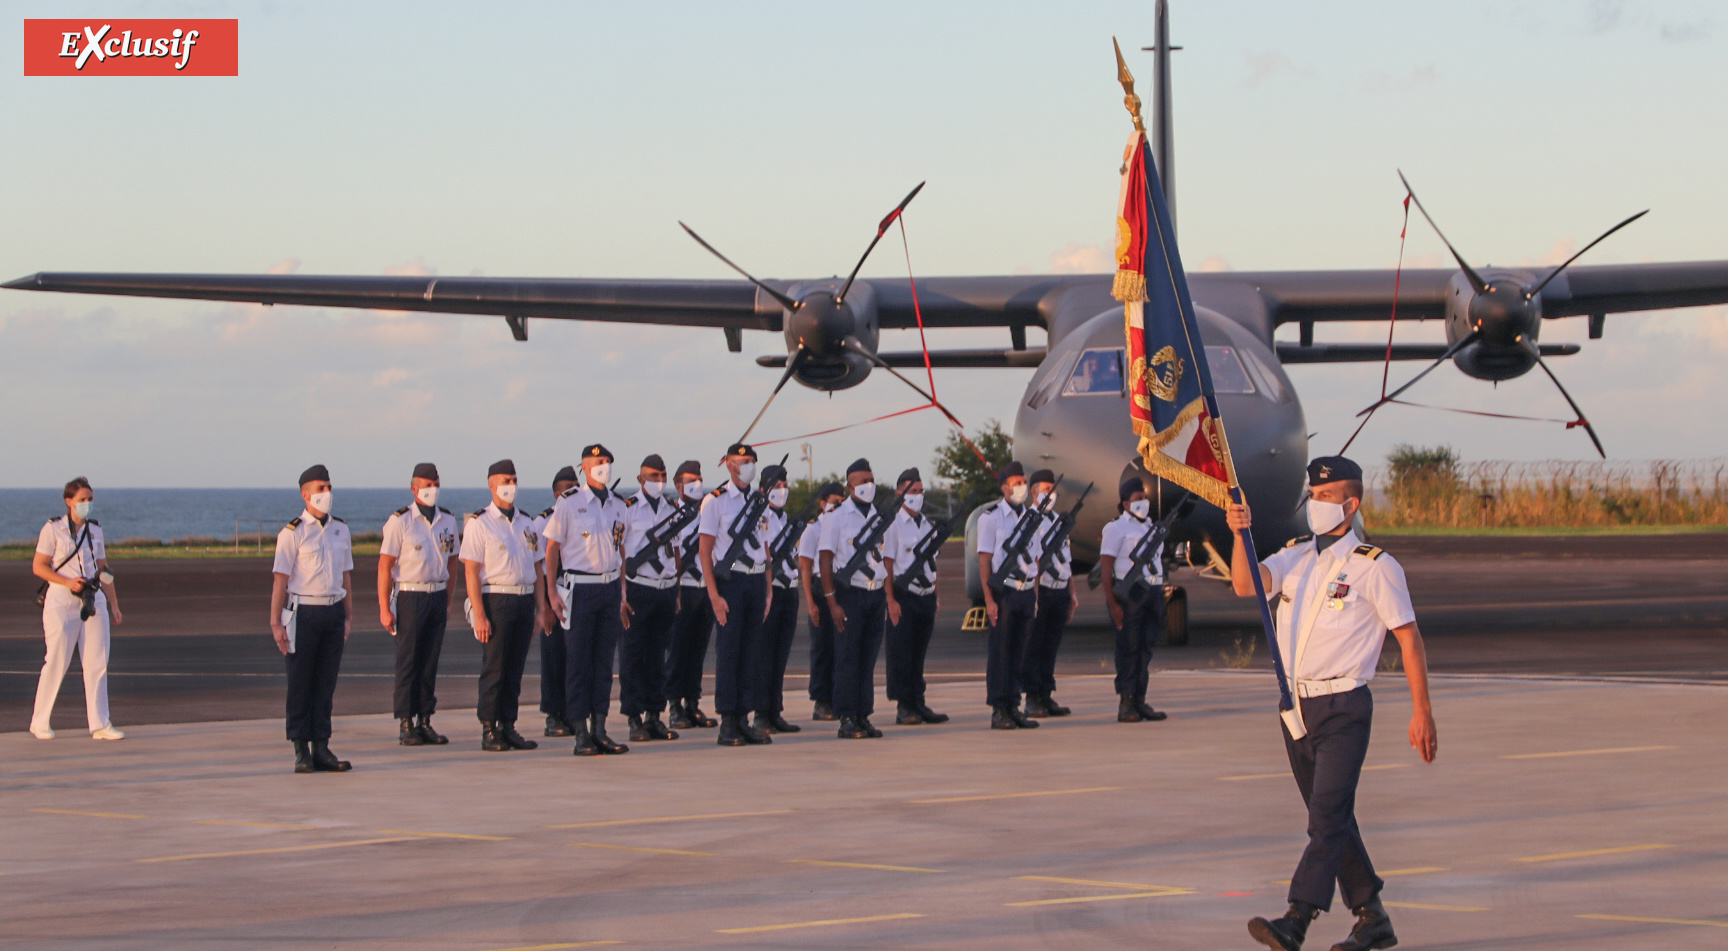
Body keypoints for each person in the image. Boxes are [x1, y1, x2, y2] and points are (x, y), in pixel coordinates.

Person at [1229, 455, 1437, 951]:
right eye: (1313, 494)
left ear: (1351, 503)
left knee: (1325, 819)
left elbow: (1409, 638)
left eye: (1325, 496)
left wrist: (1422, 710)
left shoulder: (1375, 567)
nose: (1315, 503)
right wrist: (1239, 533)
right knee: (1333, 818)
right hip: (1295, 708)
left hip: (1344, 707)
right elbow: (1245, 584)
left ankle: (1296, 919)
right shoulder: (1296, 555)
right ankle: (1372, 916)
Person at [545, 444, 630, 757]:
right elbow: (552, 550)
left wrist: (622, 594)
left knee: (604, 663)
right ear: (584, 466)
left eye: (607, 460)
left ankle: (600, 730)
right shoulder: (570, 502)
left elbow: (621, 552)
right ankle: (580, 733)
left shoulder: (620, 506)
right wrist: (552, 592)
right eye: (597, 461)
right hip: (580, 589)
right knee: (579, 662)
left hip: (609, 589)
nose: (603, 465)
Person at [269, 465, 353, 773]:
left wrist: (347, 615)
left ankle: (322, 746)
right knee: (300, 682)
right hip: (303, 612)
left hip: (332, 610)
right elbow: (280, 580)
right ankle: (300, 749)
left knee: (325, 683)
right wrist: (276, 623)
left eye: (328, 487)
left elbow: (346, 576)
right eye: (319, 488)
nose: (326, 493)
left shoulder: (340, 530)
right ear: (305, 495)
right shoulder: (292, 533)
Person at [459, 459, 547, 753]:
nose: (511, 485)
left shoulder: (526, 522)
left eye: (514, 479)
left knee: (515, 668)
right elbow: (471, 571)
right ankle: (489, 728)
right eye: (505, 480)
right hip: (495, 599)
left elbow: (537, 567)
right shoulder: (479, 523)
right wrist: (479, 614)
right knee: (495, 667)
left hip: (523, 600)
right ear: (492, 485)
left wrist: (541, 609)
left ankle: (508, 726)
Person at [29, 477, 124, 741]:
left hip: (93, 598)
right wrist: (67, 581)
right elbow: (39, 566)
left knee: (97, 662)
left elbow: (104, 569)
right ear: (69, 501)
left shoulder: (95, 530)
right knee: (56, 660)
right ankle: (40, 721)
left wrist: (114, 603)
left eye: (90, 499)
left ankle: (101, 724)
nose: (87, 504)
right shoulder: (53, 528)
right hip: (62, 599)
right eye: (82, 499)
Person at [377, 462, 460, 747]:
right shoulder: (400, 521)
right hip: (410, 595)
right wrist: (384, 608)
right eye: (426, 485)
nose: (431, 489)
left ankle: (425, 719)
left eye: (435, 484)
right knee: (409, 662)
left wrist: (448, 601)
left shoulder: (447, 520)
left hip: (436, 594)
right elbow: (385, 565)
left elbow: (453, 561)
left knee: (429, 661)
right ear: (414, 489)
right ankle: (405, 722)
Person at [697, 442, 774, 747]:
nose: (748, 465)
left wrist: (768, 590)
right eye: (742, 460)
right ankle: (728, 720)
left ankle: (745, 717)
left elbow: (766, 549)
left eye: (752, 460)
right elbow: (705, 552)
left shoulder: (760, 501)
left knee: (752, 651)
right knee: (730, 652)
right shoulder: (715, 501)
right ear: (729, 464)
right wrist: (714, 596)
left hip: (755, 582)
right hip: (730, 583)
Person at [819, 458, 890, 740]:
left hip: (875, 592)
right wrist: (832, 601)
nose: (868, 486)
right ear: (850, 485)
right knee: (848, 657)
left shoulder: (880, 517)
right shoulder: (836, 517)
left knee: (868, 658)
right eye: (863, 482)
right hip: (850, 594)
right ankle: (847, 716)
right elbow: (825, 560)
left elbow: (887, 558)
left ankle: (863, 714)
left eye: (871, 481)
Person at [619, 454, 683, 743]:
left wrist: (677, 589)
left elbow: (677, 552)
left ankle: (655, 715)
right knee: (634, 654)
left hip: (665, 588)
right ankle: (634, 718)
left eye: (661, 476)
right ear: (640, 479)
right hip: (638, 588)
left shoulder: (673, 509)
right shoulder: (628, 509)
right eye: (651, 476)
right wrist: (621, 593)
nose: (657, 481)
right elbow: (618, 552)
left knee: (659, 655)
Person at [975, 460, 1042, 730]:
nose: (1022, 487)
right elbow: (984, 561)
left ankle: (1014, 706)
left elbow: (1035, 560)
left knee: (1020, 652)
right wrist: (989, 600)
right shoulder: (990, 518)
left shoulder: (1031, 517)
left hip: (1026, 592)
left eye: (1024, 482)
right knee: (1001, 652)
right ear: (1004, 488)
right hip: (1004, 593)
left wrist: (1035, 596)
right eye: (1017, 484)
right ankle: (999, 709)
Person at [882, 468, 948, 726]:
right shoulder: (893, 524)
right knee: (902, 652)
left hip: (925, 596)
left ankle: (918, 702)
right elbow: (887, 565)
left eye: (921, 491)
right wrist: (890, 600)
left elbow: (933, 564)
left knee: (918, 653)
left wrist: (936, 596)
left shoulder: (928, 525)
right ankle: (904, 706)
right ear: (900, 493)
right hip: (903, 595)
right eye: (913, 492)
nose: (918, 496)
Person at [1098, 478, 1168, 723]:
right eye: (1138, 499)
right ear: (1125, 503)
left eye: (1144, 498)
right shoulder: (1115, 528)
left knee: (1145, 648)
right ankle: (1126, 701)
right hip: (1130, 595)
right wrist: (1112, 603)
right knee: (1129, 648)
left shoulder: (1151, 527)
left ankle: (1140, 700)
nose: (1143, 503)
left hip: (1153, 592)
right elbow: (1106, 568)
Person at [665, 460, 719, 731]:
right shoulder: (671, 514)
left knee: (698, 650)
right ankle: (674, 705)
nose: (696, 485)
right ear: (678, 486)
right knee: (678, 650)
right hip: (683, 587)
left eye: (699, 479)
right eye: (690, 481)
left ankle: (692, 703)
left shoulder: (707, 512)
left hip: (704, 587)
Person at [1022, 469, 1077, 719]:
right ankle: (1032, 698)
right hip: (1040, 589)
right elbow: (1029, 560)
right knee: (1034, 645)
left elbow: (1066, 560)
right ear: (1033, 492)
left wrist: (1072, 592)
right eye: (1046, 489)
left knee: (1051, 645)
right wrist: (1032, 596)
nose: (1050, 494)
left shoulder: (1058, 521)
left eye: (1052, 489)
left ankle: (1046, 693)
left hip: (1060, 589)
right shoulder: (1027, 519)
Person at [752, 463, 802, 736]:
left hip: (788, 590)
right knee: (765, 655)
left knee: (780, 655)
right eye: (776, 486)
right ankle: (761, 713)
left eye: (784, 485)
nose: (782, 491)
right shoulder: (760, 516)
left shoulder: (784, 518)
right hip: (769, 591)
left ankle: (774, 710)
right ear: (763, 489)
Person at [534, 466, 580, 738]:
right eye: (567, 489)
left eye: (576, 486)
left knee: (577, 658)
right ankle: (554, 714)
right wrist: (546, 606)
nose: (573, 492)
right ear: (556, 494)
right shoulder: (543, 522)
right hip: (555, 594)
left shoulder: (583, 517)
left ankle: (574, 713)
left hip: (580, 593)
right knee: (554, 657)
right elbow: (539, 567)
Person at [797, 482, 845, 722]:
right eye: (835, 501)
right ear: (823, 503)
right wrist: (810, 603)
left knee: (840, 647)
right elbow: (805, 567)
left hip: (839, 587)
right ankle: (821, 700)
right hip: (818, 589)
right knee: (822, 648)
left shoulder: (844, 526)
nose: (839, 506)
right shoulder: (813, 530)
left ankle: (838, 697)